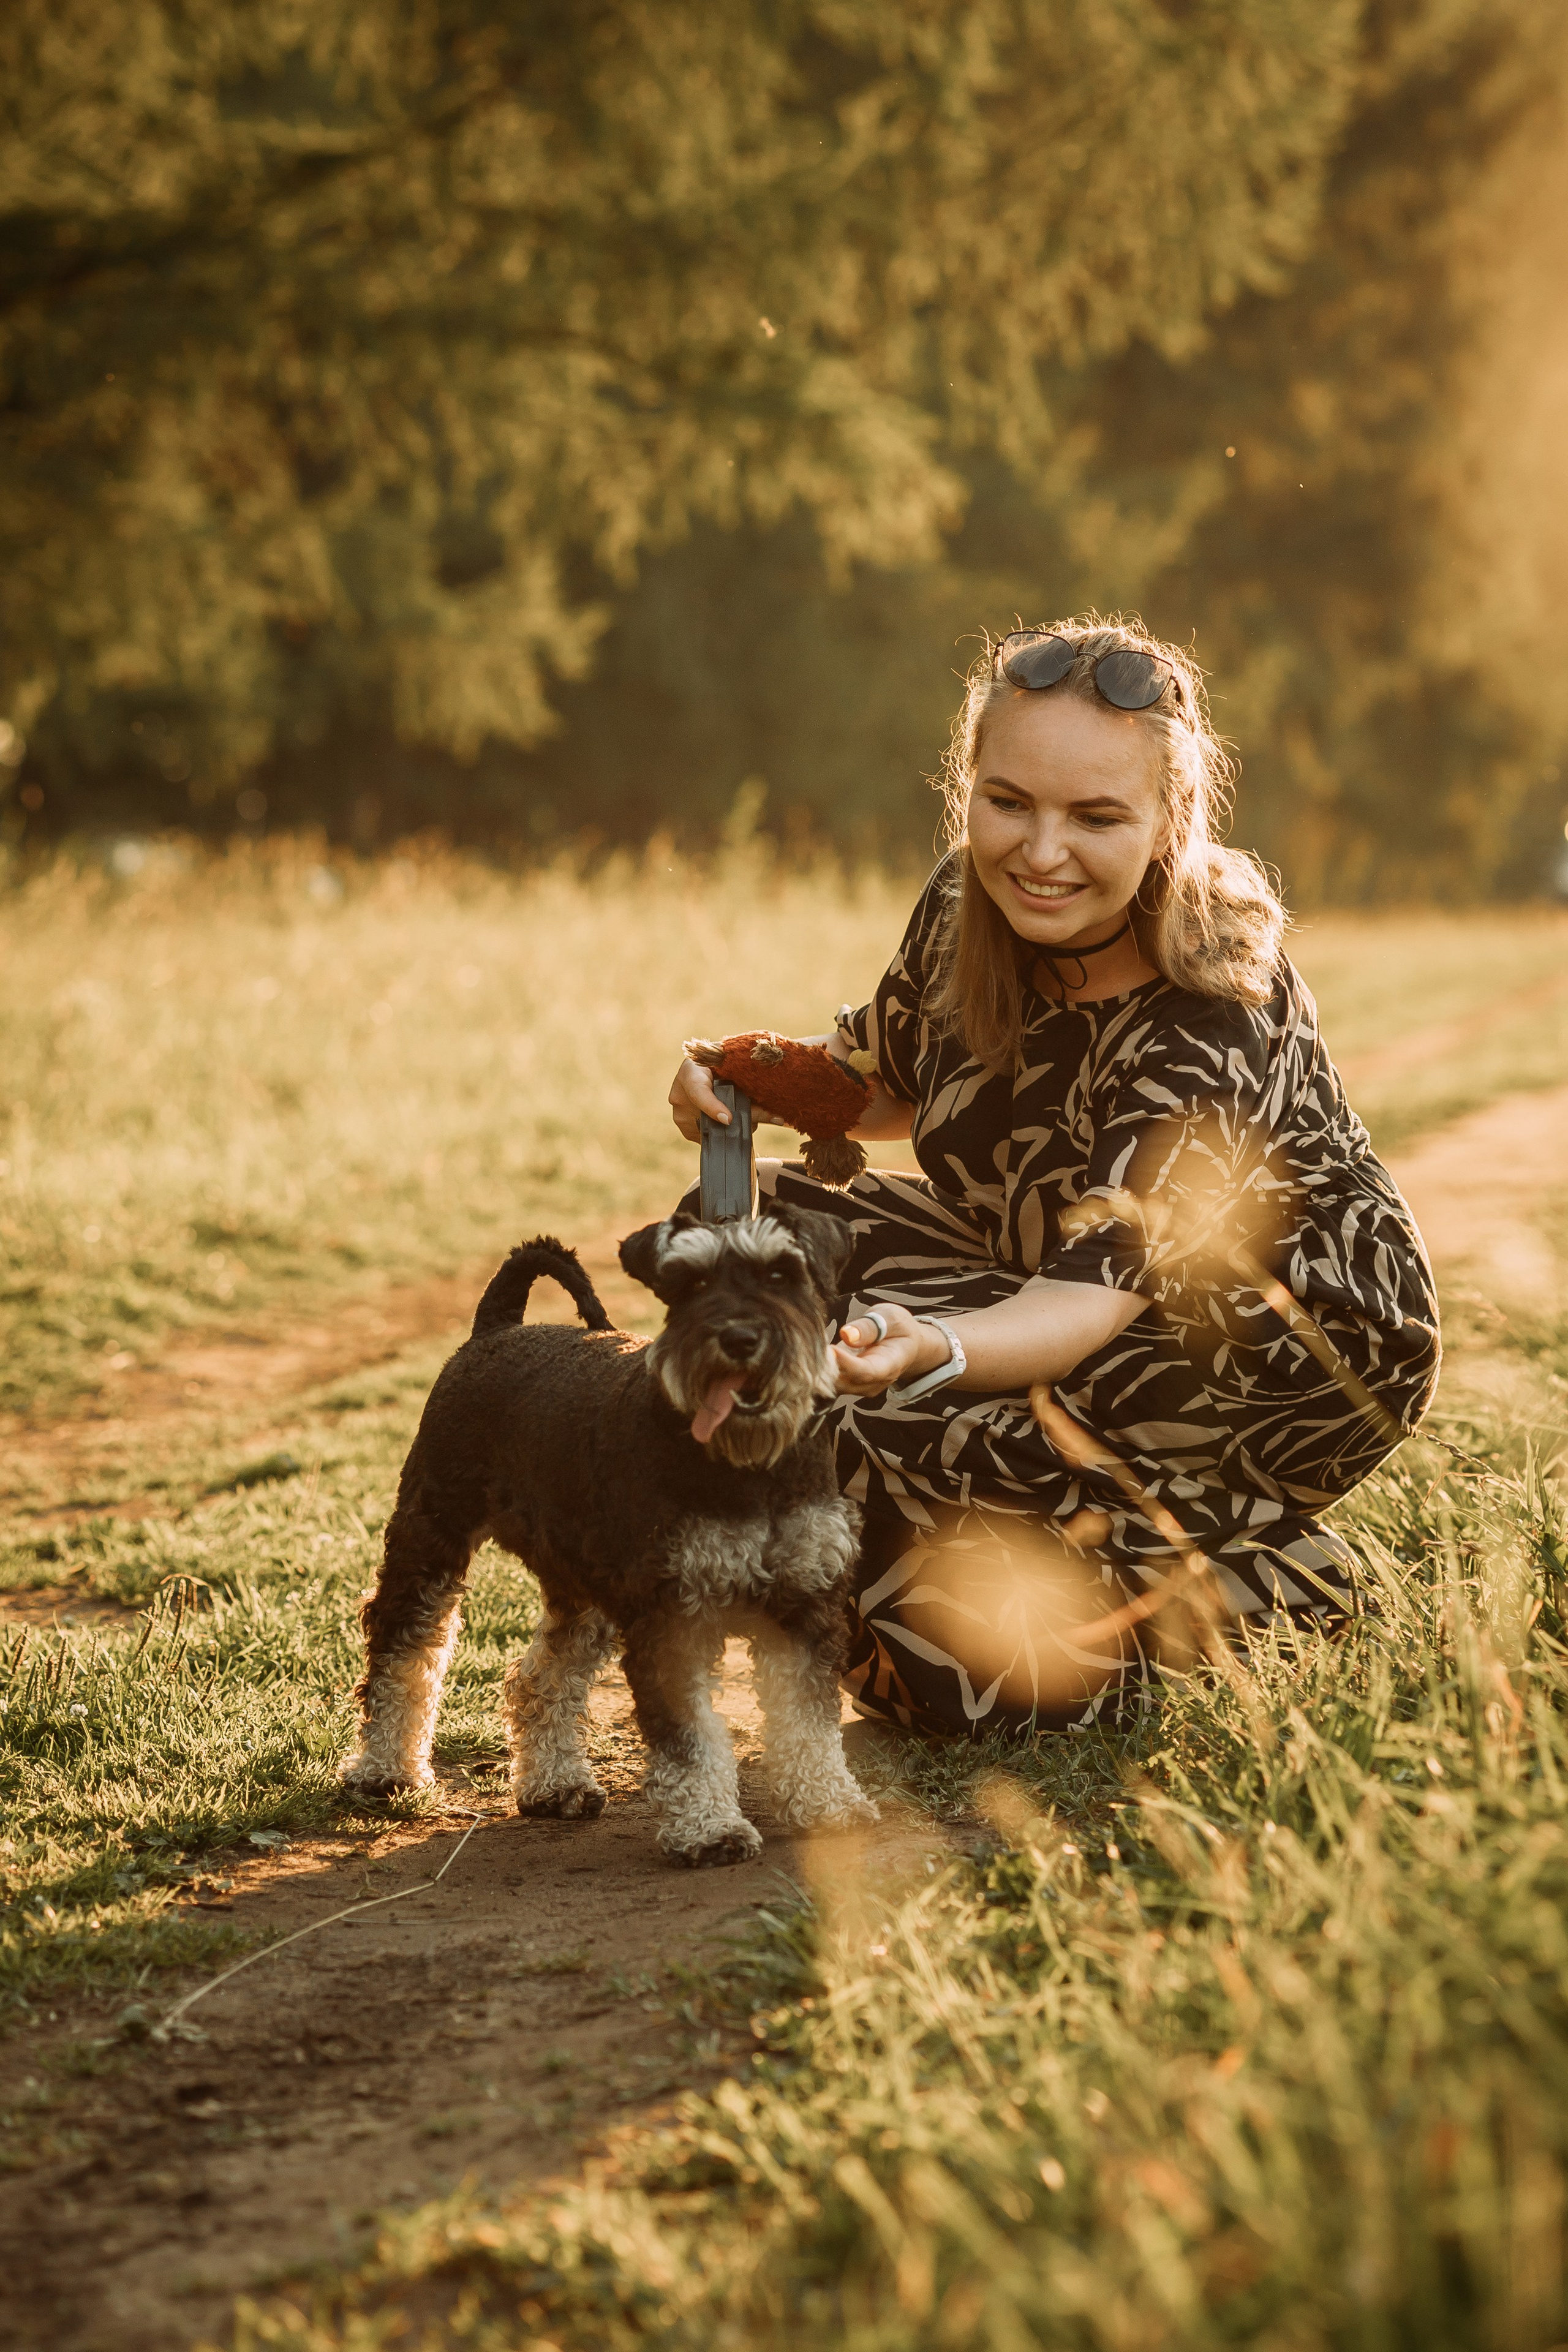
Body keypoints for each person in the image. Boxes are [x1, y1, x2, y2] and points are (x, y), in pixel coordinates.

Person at [668, 619, 1439, 1743]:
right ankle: (1072, 1555)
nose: (1041, 851)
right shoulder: (963, 906)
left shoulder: (1210, 1009)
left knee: (950, 1658)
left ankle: (1301, 1592)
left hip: (1271, 1339)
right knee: (750, 1242)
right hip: (1053, 1269)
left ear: (1171, 821)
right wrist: (742, 1074)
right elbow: (882, 1082)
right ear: (969, 790)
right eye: (1009, 802)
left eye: (1096, 818)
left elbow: (1086, 1304)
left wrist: (934, 1348)